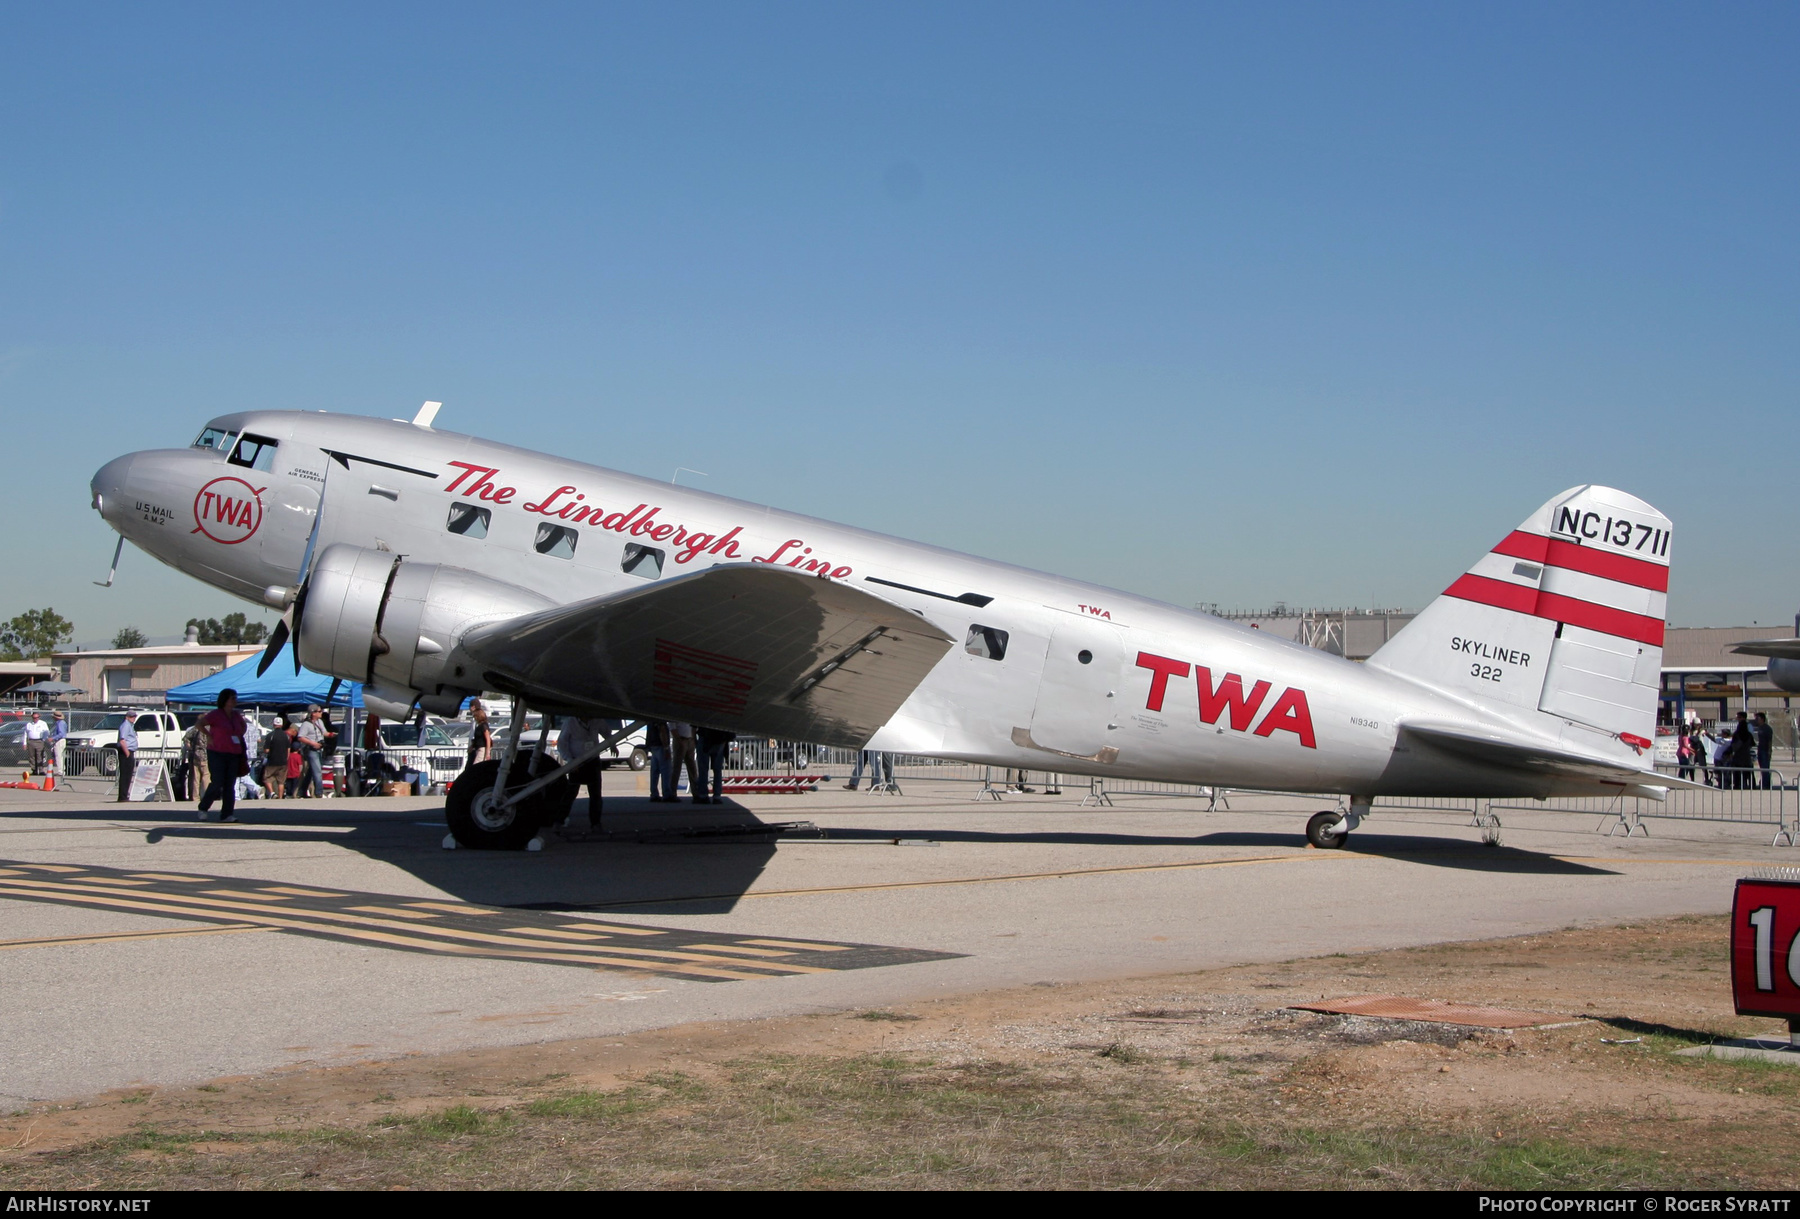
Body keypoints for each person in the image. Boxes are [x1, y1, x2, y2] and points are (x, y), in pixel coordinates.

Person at [196, 688, 250, 823]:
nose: (235, 700)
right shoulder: (215, 714)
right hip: (217, 752)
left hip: (234, 752)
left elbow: (243, 726)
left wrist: (238, 735)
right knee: (217, 782)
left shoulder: (237, 715)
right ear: (225, 700)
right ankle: (203, 807)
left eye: (235, 698)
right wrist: (209, 736)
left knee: (230, 784)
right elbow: (199, 724)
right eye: (232, 698)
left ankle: (227, 814)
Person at [556, 716, 606, 832]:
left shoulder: (597, 720)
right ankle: (559, 821)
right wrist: (569, 759)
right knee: (571, 792)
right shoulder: (570, 722)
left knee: (595, 794)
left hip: (593, 760)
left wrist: (612, 744)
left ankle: (595, 823)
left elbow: (606, 731)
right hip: (577, 762)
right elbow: (562, 742)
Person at [696, 726, 735, 804]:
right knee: (717, 770)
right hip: (720, 738)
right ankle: (717, 795)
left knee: (703, 768)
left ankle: (703, 794)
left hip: (706, 736)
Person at [294, 706, 326, 798]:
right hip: (311, 749)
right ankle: (319, 792)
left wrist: (331, 734)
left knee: (311, 771)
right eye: (319, 711)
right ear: (313, 713)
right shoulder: (306, 724)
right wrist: (313, 743)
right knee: (317, 771)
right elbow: (300, 737)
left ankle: (301, 791)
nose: (321, 712)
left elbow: (324, 733)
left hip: (320, 749)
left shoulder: (320, 722)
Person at [669, 721, 699, 801]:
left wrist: (693, 739)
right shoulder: (676, 714)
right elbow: (672, 727)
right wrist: (678, 740)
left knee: (692, 767)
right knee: (676, 767)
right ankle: (672, 793)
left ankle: (696, 792)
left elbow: (693, 726)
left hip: (690, 739)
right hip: (680, 739)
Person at [645, 721, 674, 802]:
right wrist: (666, 748)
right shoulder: (660, 720)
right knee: (666, 772)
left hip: (653, 746)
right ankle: (667, 794)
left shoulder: (650, 721)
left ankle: (654, 794)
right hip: (661, 746)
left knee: (654, 772)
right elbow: (662, 731)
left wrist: (648, 746)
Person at [263, 714, 291, 797]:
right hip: (283, 761)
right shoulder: (286, 736)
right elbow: (288, 749)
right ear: (282, 725)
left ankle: (272, 793)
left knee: (267, 778)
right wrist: (286, 758)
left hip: (272, 761)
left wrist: (267, 751)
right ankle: (280, 797)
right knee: (281, 781)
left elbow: (266, 750)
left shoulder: (270, 735)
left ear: (273, 724)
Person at [1726, 712, 1756, 790]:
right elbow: (1753, 743)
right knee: (1749, 772)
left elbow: (1734, 745)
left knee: (1737, 771)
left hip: (1738, 755)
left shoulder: (1737, 734)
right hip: (1746, 755)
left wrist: (1728, 752)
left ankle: (1738, 785)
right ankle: (1752, 785)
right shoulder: (1749, 734)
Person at [115, 712, 137, 803]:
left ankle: (125, 795)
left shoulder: (130, 726)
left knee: (128, 775)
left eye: (134, 716)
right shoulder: (126, 725)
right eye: (132, 717)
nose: (133, 718)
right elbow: (122, 740)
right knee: (125, 775)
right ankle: (122, 796)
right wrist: (127, 753)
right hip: (125, 752)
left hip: (129, 751)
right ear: (127, 717)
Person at [467, 701, 493, 768]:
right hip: (478, 748)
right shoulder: (479, 726)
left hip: (482, 749)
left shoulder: (484, 726)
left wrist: (487, 753)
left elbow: (488, 739)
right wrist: (472, 746)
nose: (475, 718)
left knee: (476, 766)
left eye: (475, 716)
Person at [1753, 712, 1775, 791]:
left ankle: (1767, 784)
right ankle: (1764, 782)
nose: (1756, 720)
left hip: (1765, 750)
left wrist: (1769, 751)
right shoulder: (1760, 728)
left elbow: (1769, 741)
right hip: (1760, 749)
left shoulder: (1767, 728)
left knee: (1765, 768)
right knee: (1762, 767)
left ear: (1762, 719)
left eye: (1758, 718)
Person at [49, 712, 67, 776]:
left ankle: (60, 771)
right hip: (61, 740)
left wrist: (53, 738)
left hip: (59, 740)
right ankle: (61, 770)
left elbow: (61, 734)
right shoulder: (61, 723)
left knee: (59, 756)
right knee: (60, 756)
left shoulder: (60, 723)